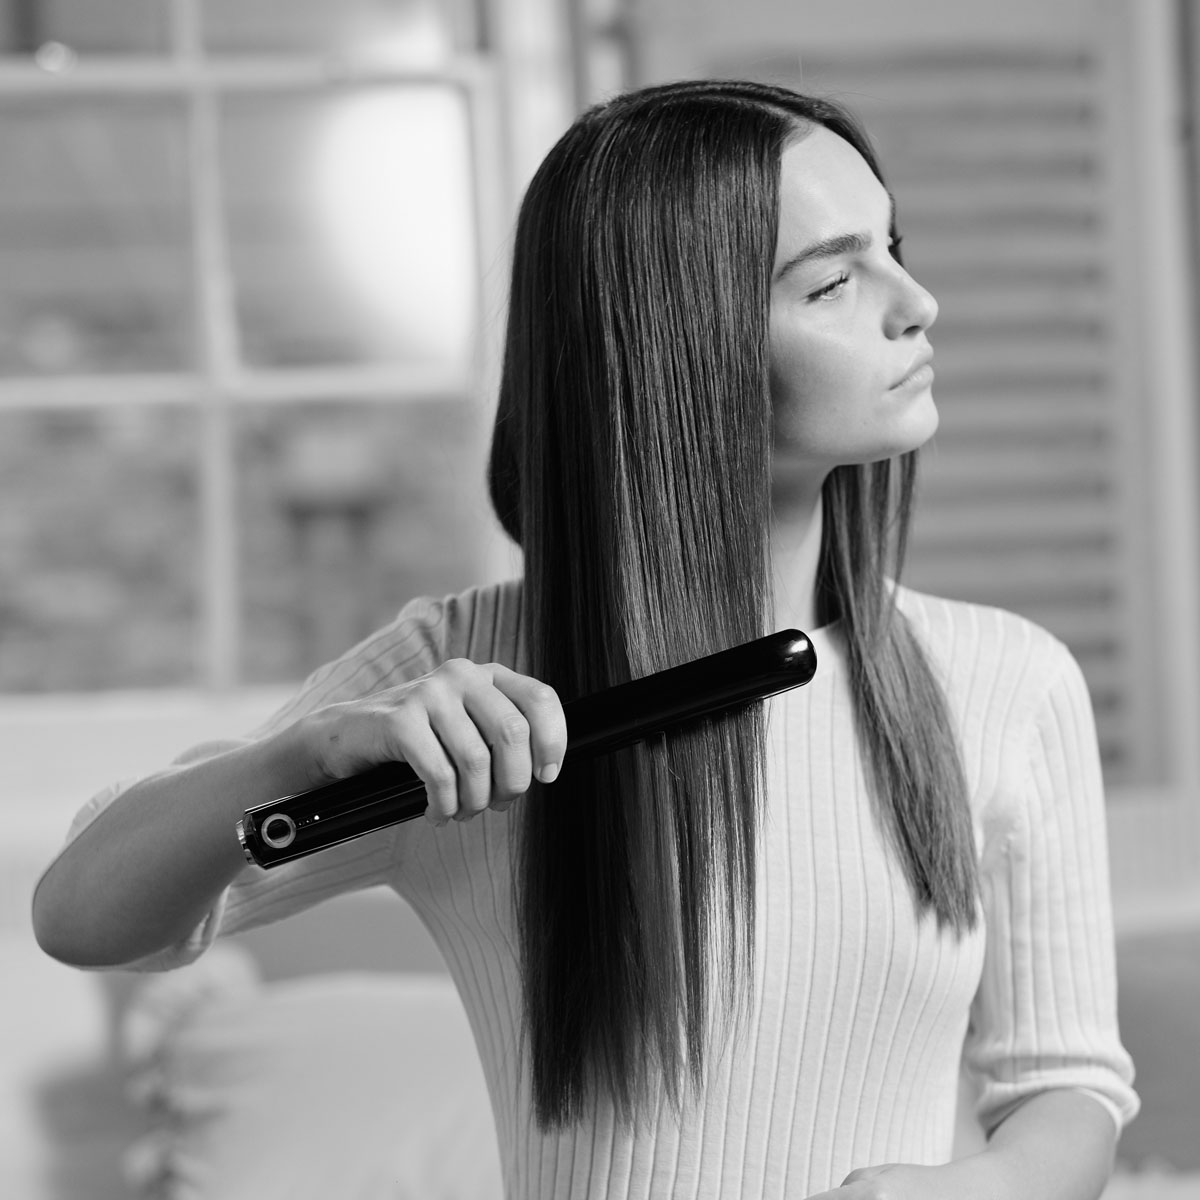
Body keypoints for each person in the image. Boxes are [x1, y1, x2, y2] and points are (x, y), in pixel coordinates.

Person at [32, 79, 1138, 1199]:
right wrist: (303, 755)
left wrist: (983, 1188)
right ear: (679, 342)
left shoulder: (1006, 682)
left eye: (891, 249)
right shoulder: (465, 691)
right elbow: (83, 916)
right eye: (834, 283)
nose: (917, 303)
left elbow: (1067, 1089)